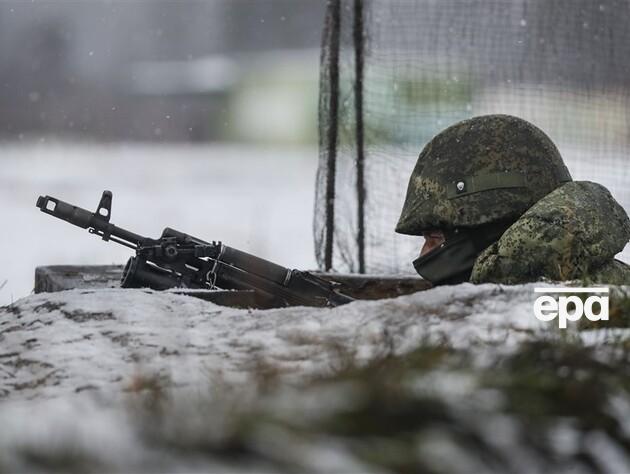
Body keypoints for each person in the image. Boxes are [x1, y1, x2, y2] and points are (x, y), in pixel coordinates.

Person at [395, 114, 630, 286]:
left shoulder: (570, 307)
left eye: (435, 239)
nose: (423, 256)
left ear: (490, 222)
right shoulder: (567, 290)